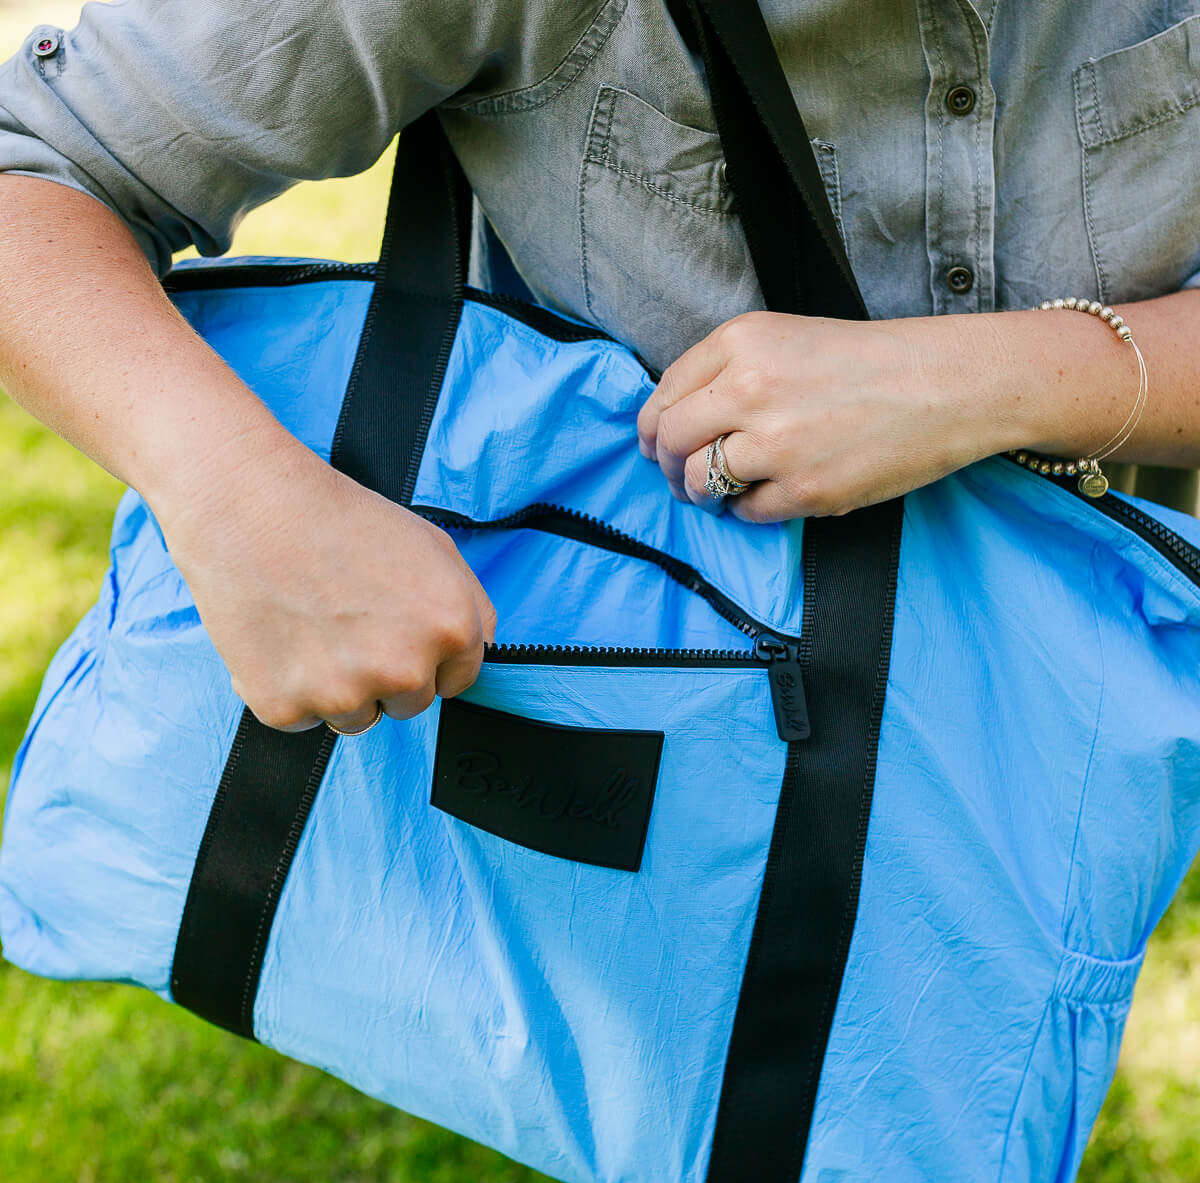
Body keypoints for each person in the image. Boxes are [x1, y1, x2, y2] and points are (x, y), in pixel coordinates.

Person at [0, 0, 1197, 736]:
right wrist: (240, 496)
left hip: (1088, 728)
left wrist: (997, 381)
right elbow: (33, 166)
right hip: (622, 723)